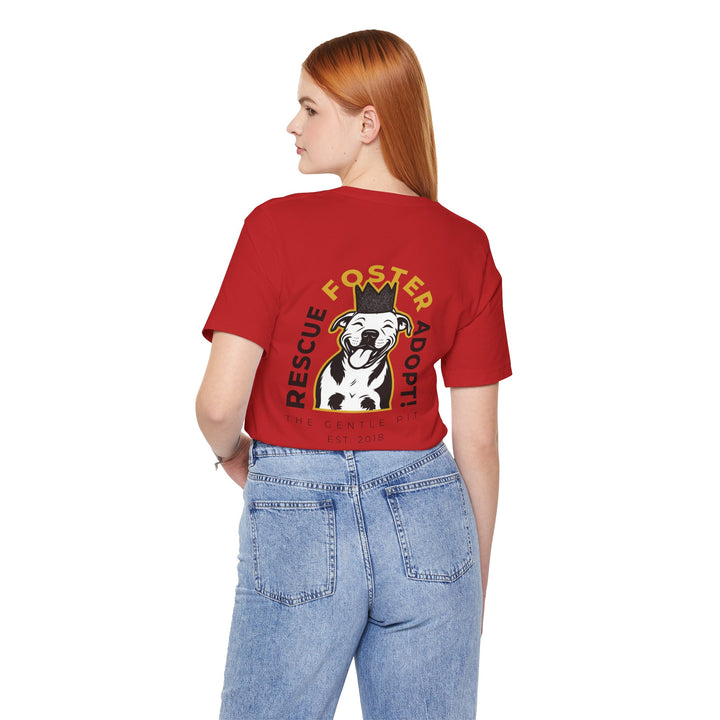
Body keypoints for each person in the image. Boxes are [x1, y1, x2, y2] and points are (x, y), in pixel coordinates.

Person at [195, 29, 512, 720]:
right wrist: (472, 584)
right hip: (431, 520)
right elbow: (480, 444)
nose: (293, 125)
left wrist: (235, 457)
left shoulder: (274, 227)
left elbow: (219, 405)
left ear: (368, 123)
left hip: (297, 510)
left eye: (310, 109)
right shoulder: (467, 245)